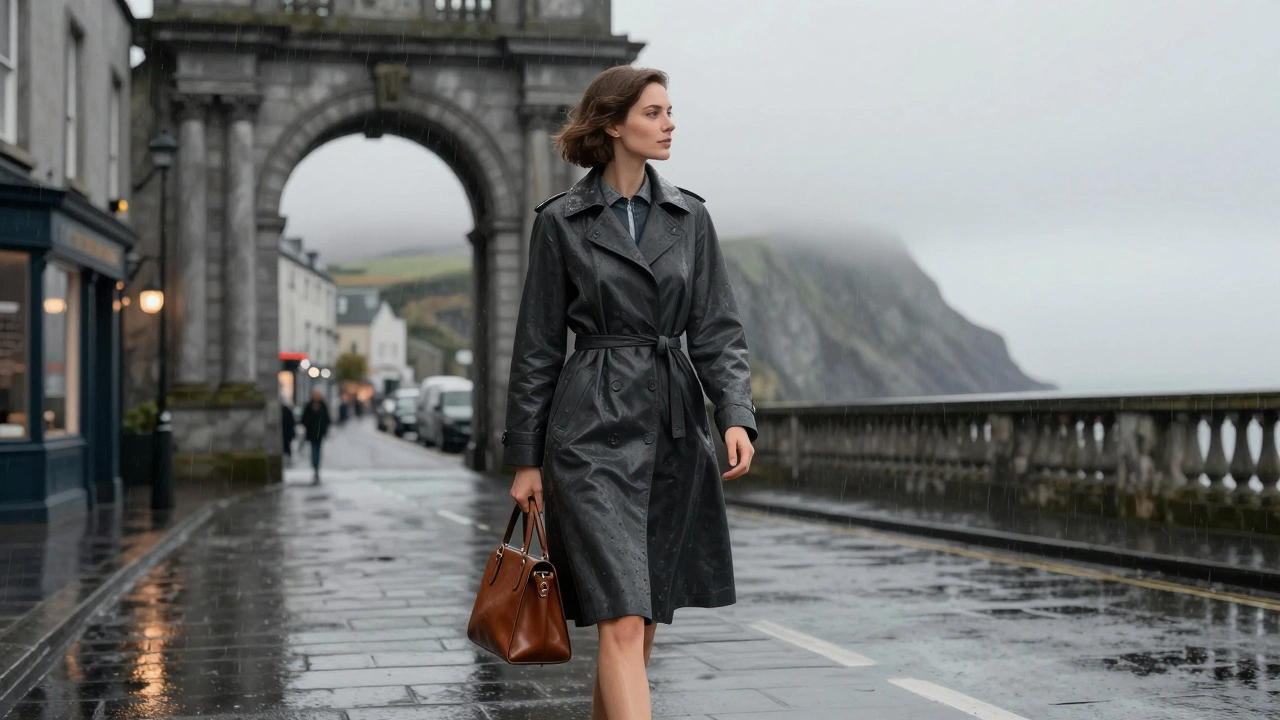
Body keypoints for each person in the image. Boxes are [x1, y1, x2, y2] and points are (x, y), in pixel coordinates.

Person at [502, 66, 757, 720]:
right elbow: (537, 346)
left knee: (640, 626)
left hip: (674, 430)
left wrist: (734, 414)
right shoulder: (561, 222)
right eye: (653, 112)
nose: (670, 124)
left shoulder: (690, 217)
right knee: (619, 619)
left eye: (670, 111)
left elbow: (717, 328)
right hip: (589, 433)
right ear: (613, 124)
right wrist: (526, 458)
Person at [299, 389, 331, 484]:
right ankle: (315, 466)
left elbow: (326, 419)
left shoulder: (322, 405)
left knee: (317, 449)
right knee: (314, 449)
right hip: (312, 433)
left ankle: (316, 466)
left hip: (319, 433)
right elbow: (304, 419)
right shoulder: (309, 405)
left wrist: (324, 428)